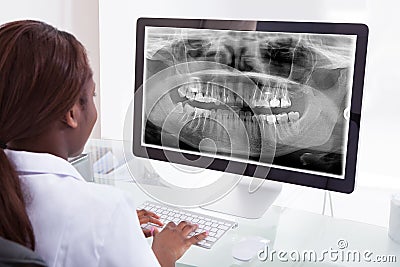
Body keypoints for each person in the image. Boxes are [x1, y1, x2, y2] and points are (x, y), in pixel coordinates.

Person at [0, 20, 207, 267]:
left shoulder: (99, 214)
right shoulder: (103, 211)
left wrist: (116, 231)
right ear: (72, 113)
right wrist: (165, 253)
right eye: (92, 95)